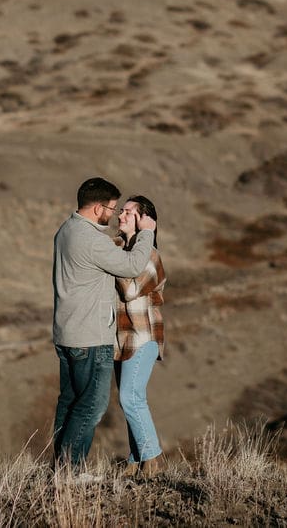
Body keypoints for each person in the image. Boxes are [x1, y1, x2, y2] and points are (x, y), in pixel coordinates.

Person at [52, 177, 157, 472]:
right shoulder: (93, 241)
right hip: (90, 336)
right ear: (98, 208)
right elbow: (132, 266)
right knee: (91, 407)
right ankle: (71, 472)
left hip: (66, 333)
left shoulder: (66, 231)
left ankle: (61, 469)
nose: (114, 215)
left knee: (69, 404)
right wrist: (147, 233)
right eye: (112, 209)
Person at [114, 195, 167, 478]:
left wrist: (147, 235)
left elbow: (131, 290)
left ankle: (153, 460)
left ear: (143, 219)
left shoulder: (150, 255)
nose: (120, 215)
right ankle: (135, 461)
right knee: (129, 399)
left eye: (128, 212)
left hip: (143, 335)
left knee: (131, 397)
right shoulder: (120, 248)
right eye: (120, 210)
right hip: (122, 338)